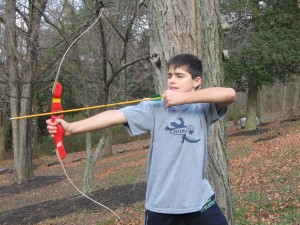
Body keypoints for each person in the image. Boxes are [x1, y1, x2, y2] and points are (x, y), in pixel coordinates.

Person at [46, 54, 236, 225]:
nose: (172, 80)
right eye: (169, 76)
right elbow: (116, 115)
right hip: (161, 206)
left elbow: (229, 94)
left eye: (179, 76)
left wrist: (182, 99)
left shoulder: (203, 109)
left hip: (199, 202)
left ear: (196, 81)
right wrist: (72, 128)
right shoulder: (155, 108)